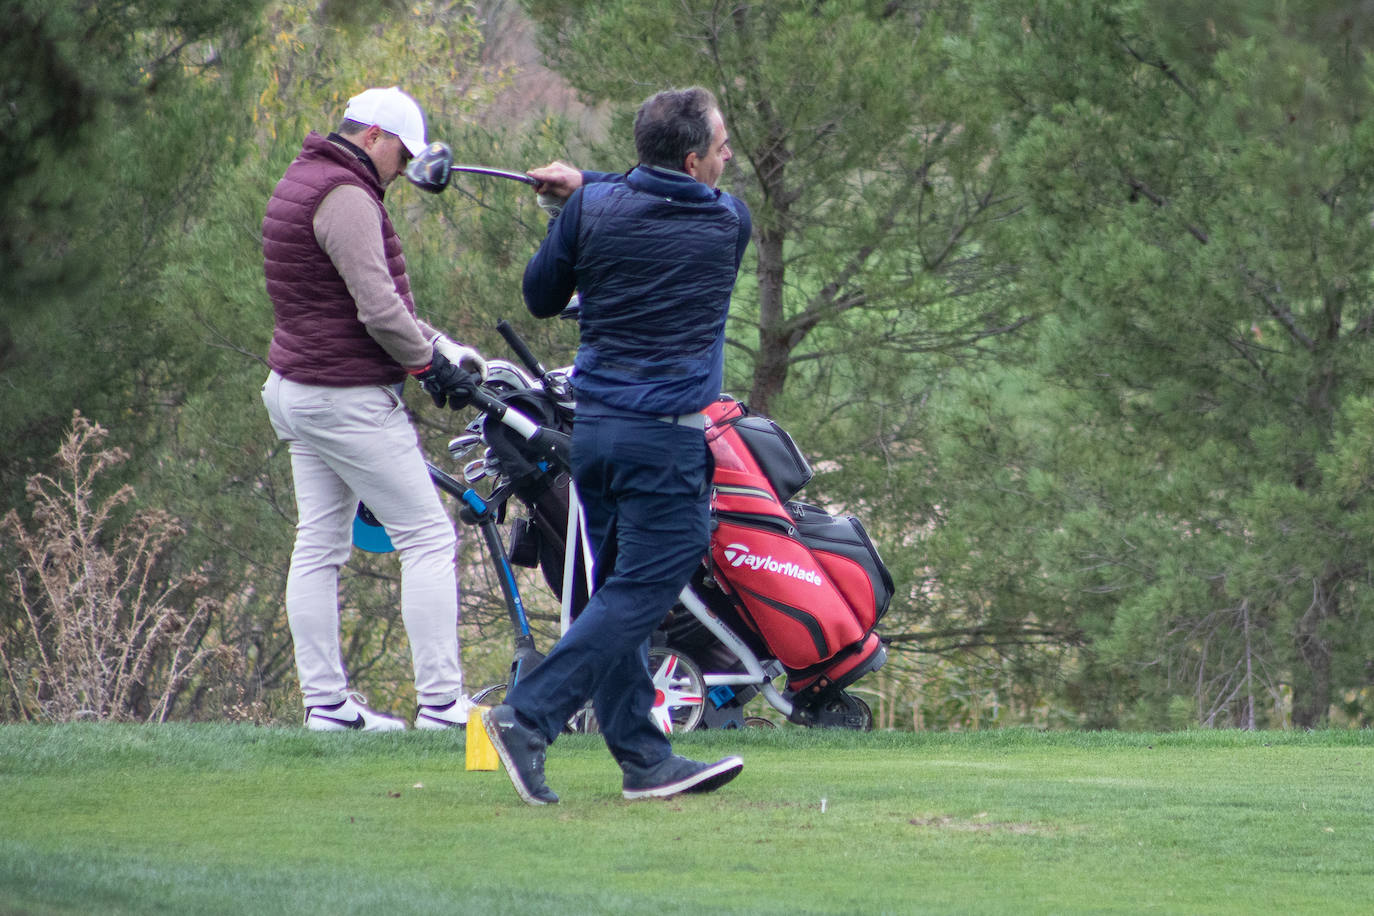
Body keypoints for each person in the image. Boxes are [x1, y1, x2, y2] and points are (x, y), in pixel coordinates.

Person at [482, 87, 752, 804]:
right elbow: (657, 197)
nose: (729, 157)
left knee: (615, 595)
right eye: (721, 147)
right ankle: (528, 716)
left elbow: (541, 296)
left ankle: (643, 758)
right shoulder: (728, 221)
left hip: (595, 436)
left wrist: (577, 196)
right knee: (642, 590)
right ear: (694, 162)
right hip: (665, 441)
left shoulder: (591, 209)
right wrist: (588, 185)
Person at [260, 86, 484, 731]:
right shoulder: (347, 196)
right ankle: (442, 705)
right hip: (344, 396)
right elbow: (379, 309)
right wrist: (427, 367)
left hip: (298, 388)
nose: (404, 170)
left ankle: (327, 708)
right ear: (375, 136)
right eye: (402, 155)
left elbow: (356, 302)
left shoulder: (304, 177)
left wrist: (441, 346)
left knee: (318, 545)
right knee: (428, 537)